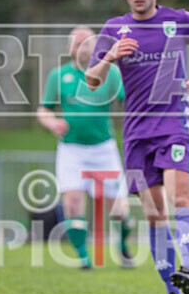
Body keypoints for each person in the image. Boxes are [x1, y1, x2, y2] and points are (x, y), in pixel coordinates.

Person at [86, 0, 189, 294]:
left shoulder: (180, 20)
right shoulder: (115, 28)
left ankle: (188, 268)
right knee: (154, 214)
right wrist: (111, 56)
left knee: (181, 196)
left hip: (173, 124)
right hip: (135, 136)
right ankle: (173, 292)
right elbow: (92, 79)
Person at [37, 25, 134, 269]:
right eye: (76, 42)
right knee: (72, 203)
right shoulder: (58, 76)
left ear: (95, 47)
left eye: (86, 42)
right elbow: (44, 109)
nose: (81, 46)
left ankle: (122, 245)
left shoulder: (109, 74)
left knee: (119, 210)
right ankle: (84, 257)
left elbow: (129, 101)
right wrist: (52, 123)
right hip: (72, 150)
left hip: (103, 148)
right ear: (70, 47)